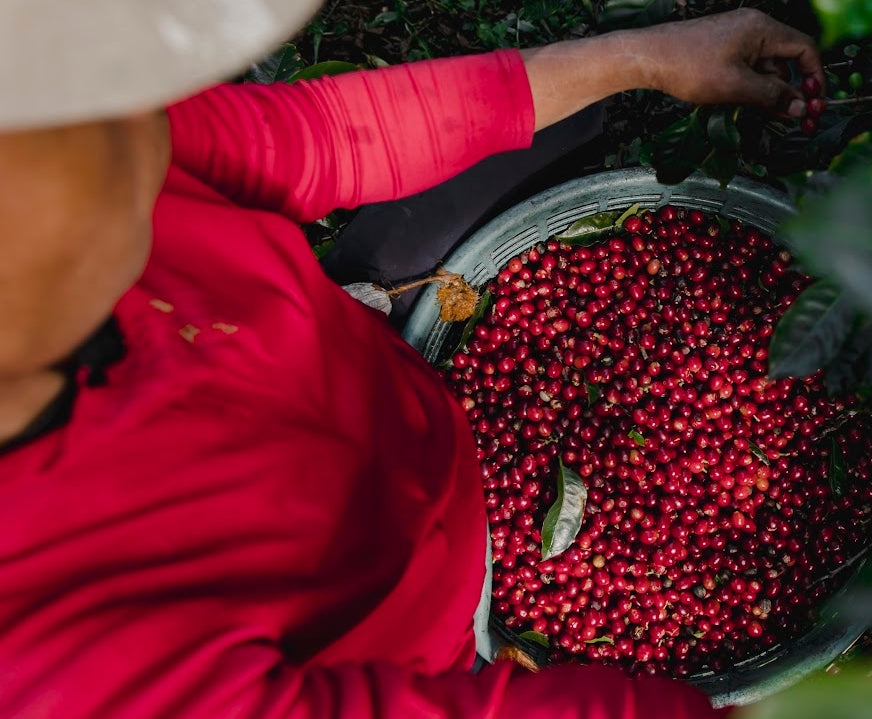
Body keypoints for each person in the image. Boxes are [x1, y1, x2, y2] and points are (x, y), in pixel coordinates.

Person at [0, 0, 822, 716]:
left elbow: (319, 137)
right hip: (407, 639)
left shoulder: (89, 156)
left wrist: (639, 56)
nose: (153, 111)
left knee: (528, 145)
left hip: (412, 428)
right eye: (115, 119)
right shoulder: (68, 668)